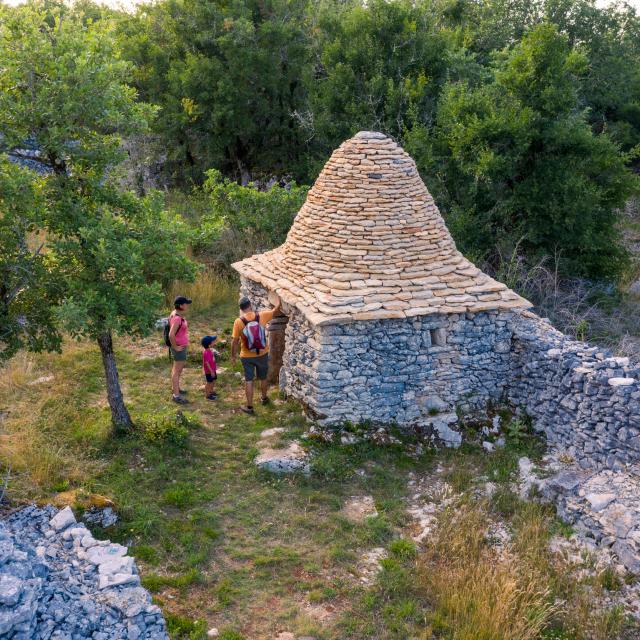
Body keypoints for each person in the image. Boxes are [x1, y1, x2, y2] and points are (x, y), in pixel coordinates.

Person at [231, 295, 281, 415]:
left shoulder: (238, 322)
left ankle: (249, 406)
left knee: (249, 380)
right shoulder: (262, 315)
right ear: (250, 305)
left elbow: (234, 341)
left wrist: (233, 356)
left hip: (246, 356)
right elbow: (276, 311)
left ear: (241, 309)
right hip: (262, 354)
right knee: (263, 378)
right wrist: (278, 300)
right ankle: (264, 398)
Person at [169, 295, 191, 404]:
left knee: (177, 370)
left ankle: (176, 388)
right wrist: (175, 347)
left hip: (181, 346)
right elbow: (171, 334)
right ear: (181, 305)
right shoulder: (177, 318)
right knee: (177, 371)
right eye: (186, 303)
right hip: (179, 348)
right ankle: (176, 395)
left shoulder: (174, 313)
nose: (187, 305)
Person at [201, 335, 218, 401]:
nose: (214, 342)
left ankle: (211, 391)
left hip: (213, 370)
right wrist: (211, 371)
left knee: (213, 380)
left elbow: (211, 360)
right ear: (209, 344)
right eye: (213, 341)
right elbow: (207, 363)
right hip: (209, 371)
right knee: (209, 382)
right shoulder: (206, 352)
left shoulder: (209, 350)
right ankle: (207, 395)